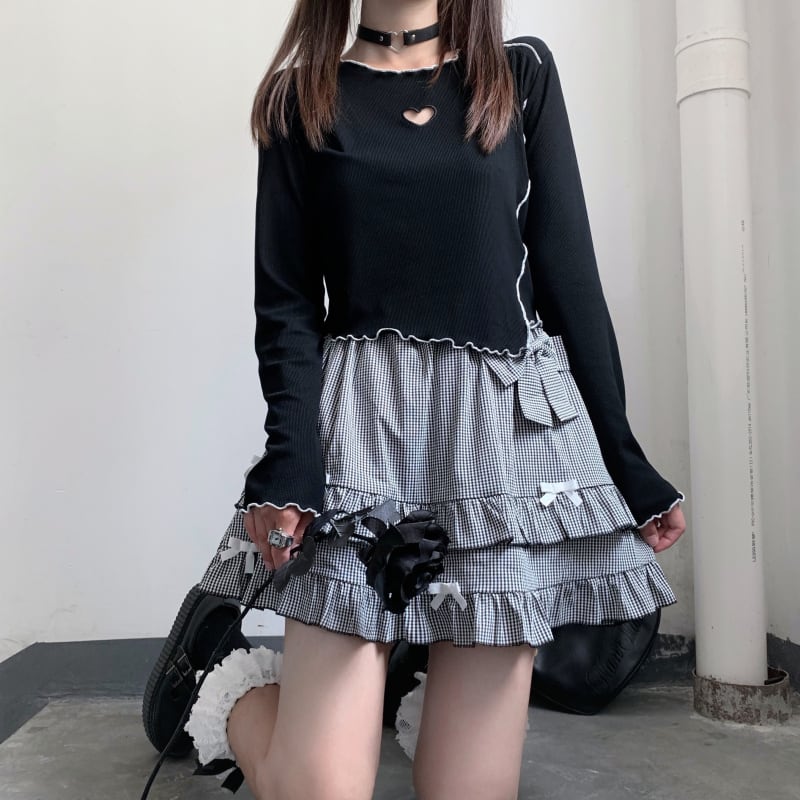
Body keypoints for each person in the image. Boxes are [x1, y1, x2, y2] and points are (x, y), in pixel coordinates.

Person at [149, 2, 687, 798]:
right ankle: (231, 695)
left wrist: (628, 465)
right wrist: (290, 465)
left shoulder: (520, 75)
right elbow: (287, 305)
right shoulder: (301, 97)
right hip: (362, 439)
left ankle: (412, 703)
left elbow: (570, 281)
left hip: (501, 443)